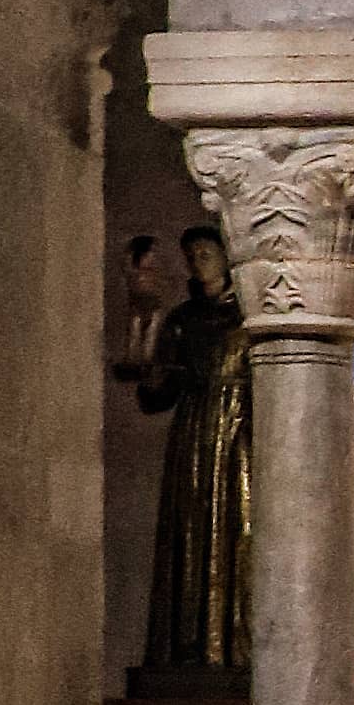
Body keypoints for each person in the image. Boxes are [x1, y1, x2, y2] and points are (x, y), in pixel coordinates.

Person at [117, 218, 252, 672]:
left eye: (208, 254)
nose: (201, 263)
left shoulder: (248, 319)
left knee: (239, 532)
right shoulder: (181, 321)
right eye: (193, 257)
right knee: (190, 535)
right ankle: (187, 648)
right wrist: (146, 346)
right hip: (194, 435)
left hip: (238, 440)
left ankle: (234, 648)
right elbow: (155, 395)